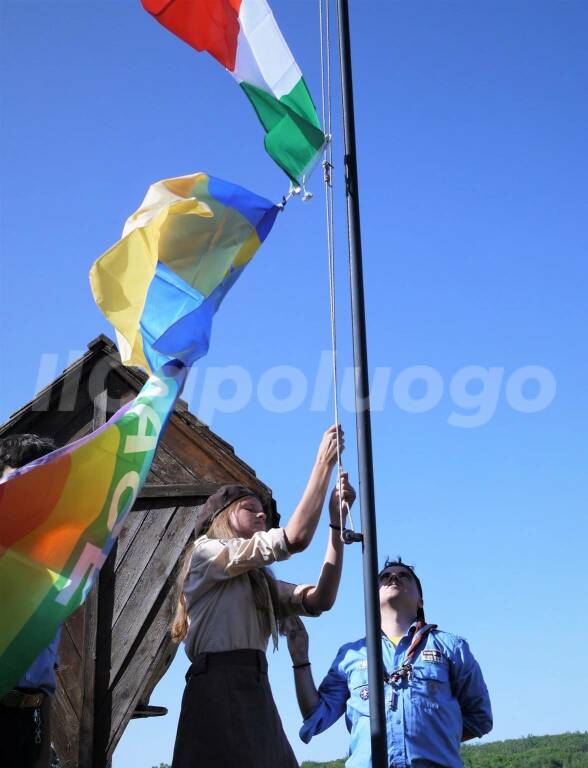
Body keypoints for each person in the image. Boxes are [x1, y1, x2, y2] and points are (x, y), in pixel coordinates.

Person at [170, 424, 356, 768]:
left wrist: (336, 525)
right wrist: (323, 464)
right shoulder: (206, 552)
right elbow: (296, 538)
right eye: (250, 508)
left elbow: (320, 600)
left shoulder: (257, 581)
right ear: (222, 517)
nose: (261, 515)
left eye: (264, 513)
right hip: (219, 686)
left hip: (254, 685)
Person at [287, 557, 493, 768]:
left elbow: (480, 717)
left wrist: (439, 738)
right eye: (385, 577)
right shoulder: (351, 654)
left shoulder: (451, 647)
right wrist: (300, 659)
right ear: (372, 598)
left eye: (404, 576)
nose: (393, 577)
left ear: (420, 600)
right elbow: (316, 714)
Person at [0, 433, 61, 768]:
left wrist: (42, 745)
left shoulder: (55, 568)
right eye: (23, 476)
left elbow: (45, 669)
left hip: (29, 722)